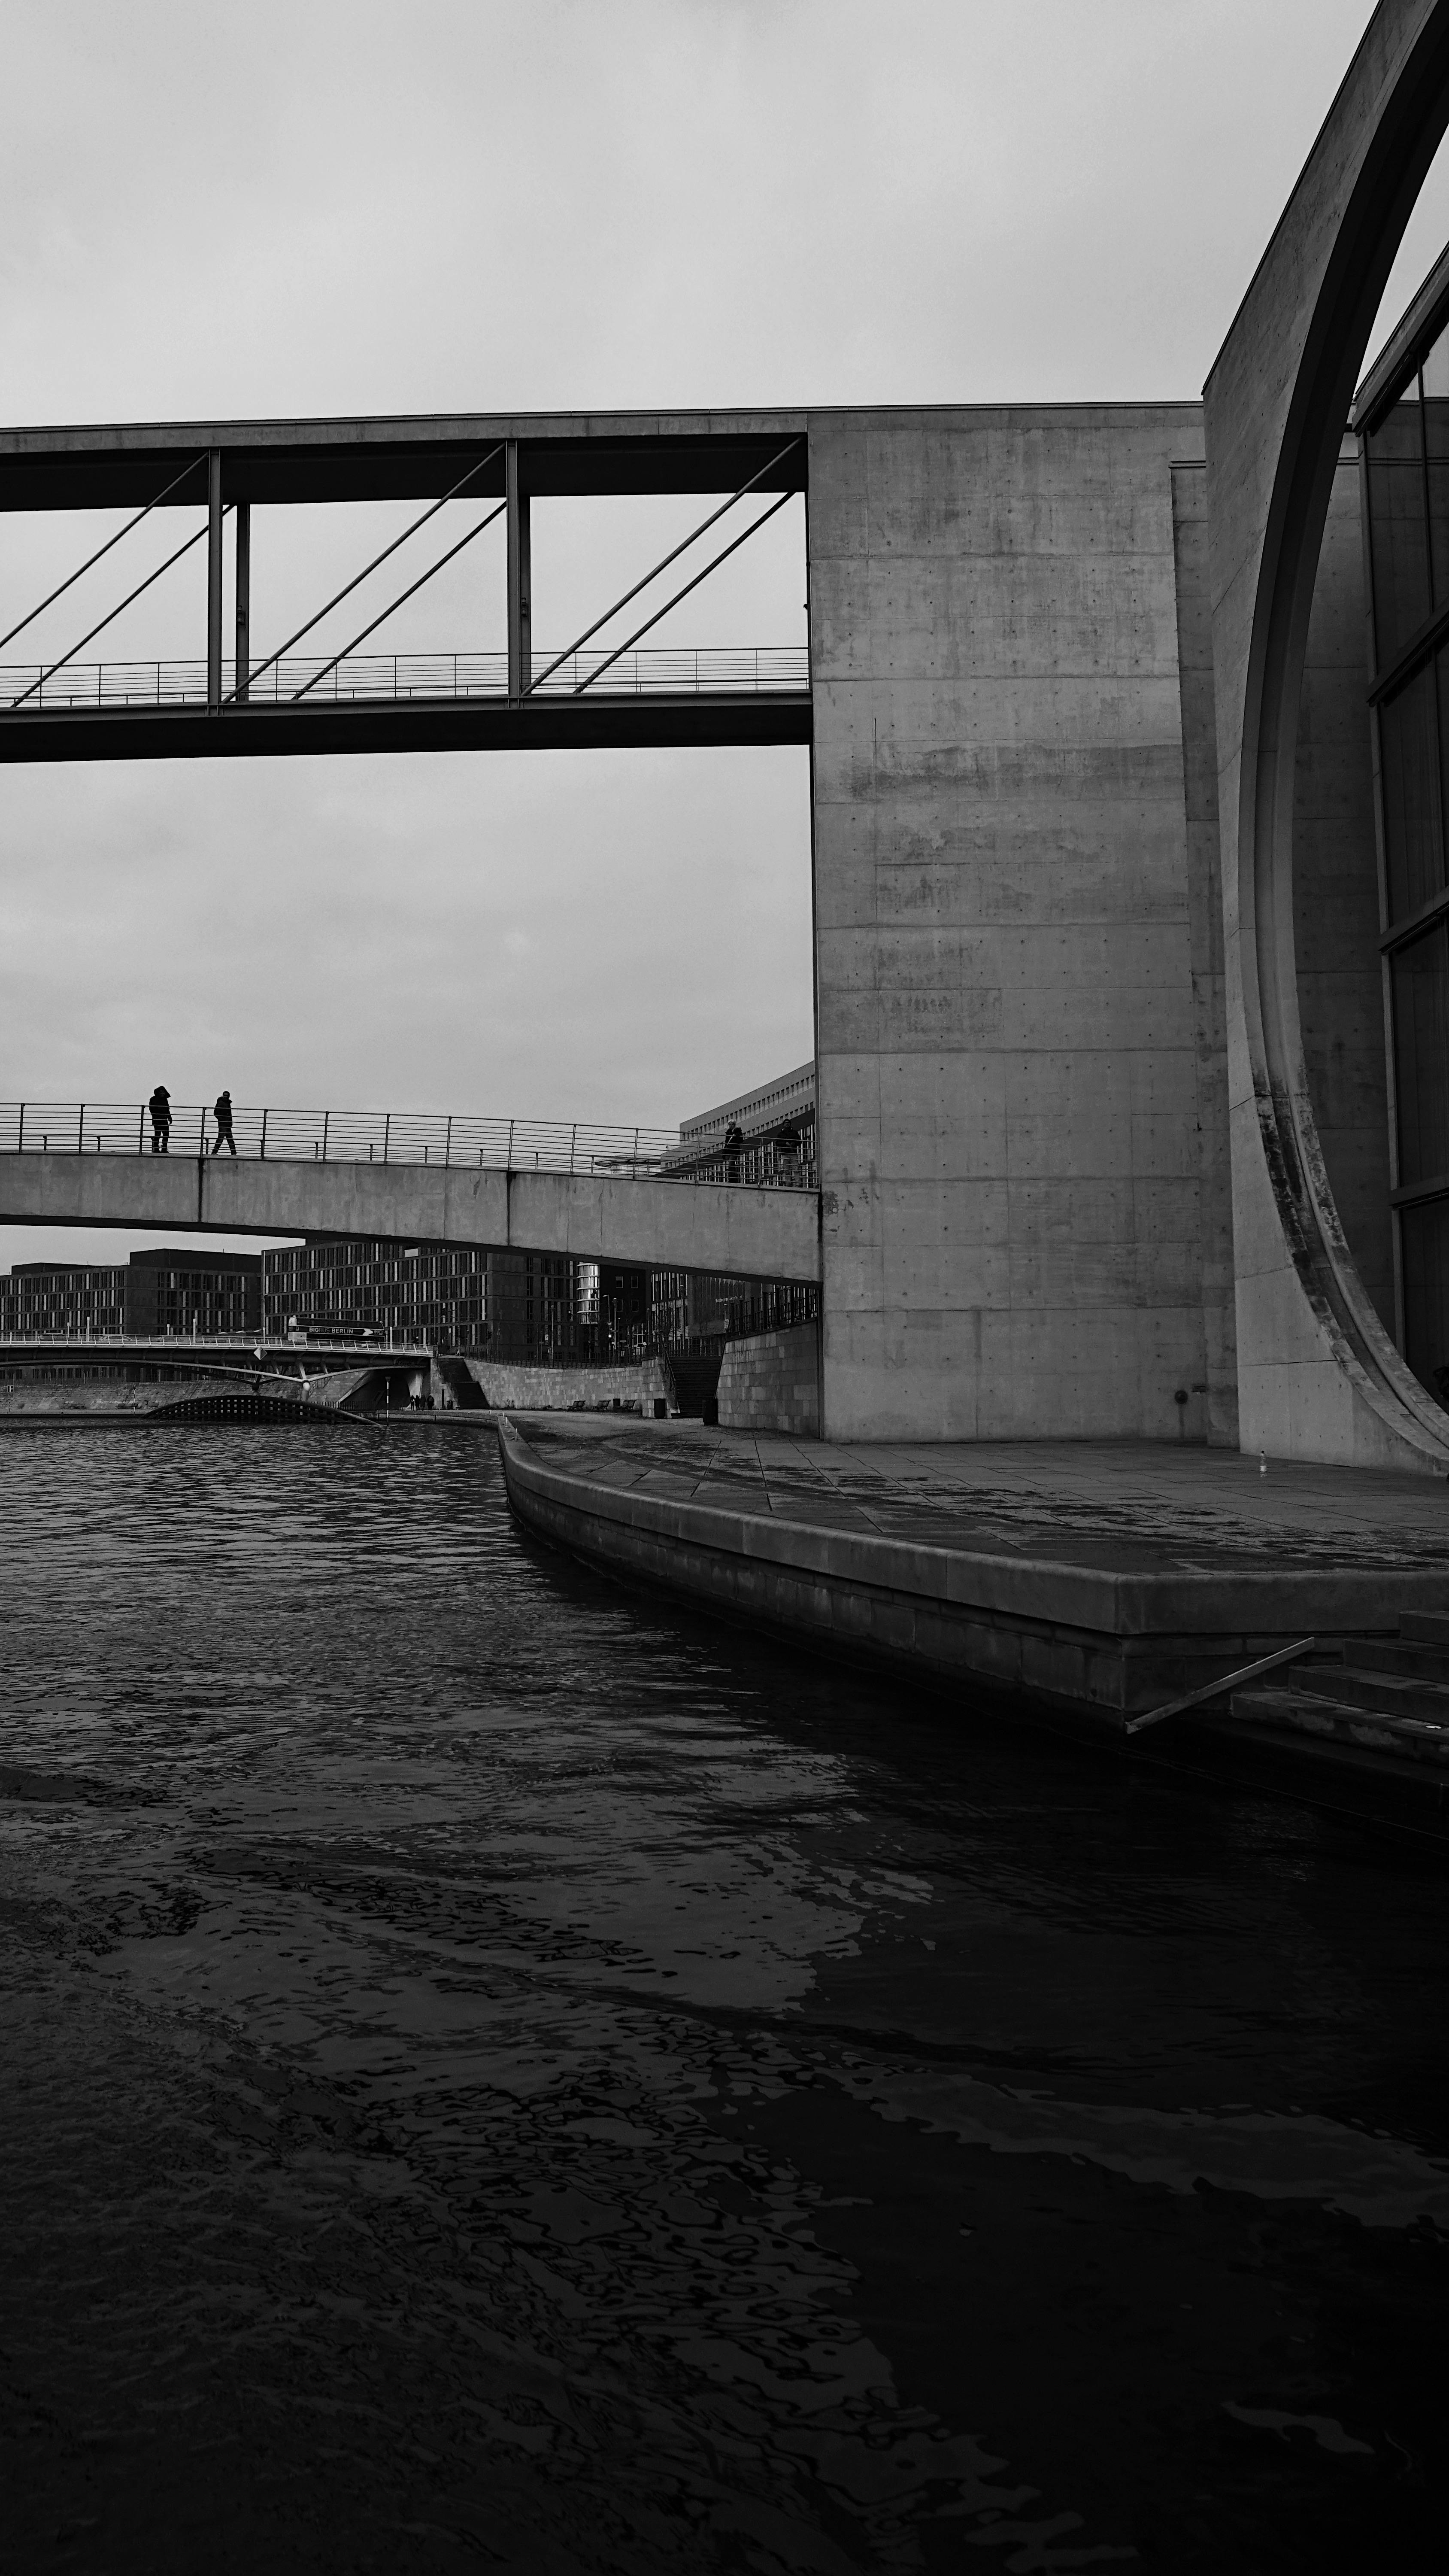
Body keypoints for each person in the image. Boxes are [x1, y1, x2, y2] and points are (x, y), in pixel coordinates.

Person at [211, 1089, 236, 1156]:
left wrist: (230, 1122)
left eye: (227, 1096)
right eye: (225, 1095)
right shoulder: (221, 1102)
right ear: (223, 1096)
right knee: (222, 1138)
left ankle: (234, 1153)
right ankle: (215, 1152)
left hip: (227, 1124)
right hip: (224, 1124)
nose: (226, 1097)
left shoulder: (227, 1103)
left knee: (229, 1139)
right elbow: (216, 1113)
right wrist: (223, 1120)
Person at [148, 1085, 171, 1154]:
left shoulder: (164, 1099)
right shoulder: (153, 1099)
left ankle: (163, 1149)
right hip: (158, 1120)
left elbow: (167, 1110)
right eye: (161, 1092)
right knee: (158, 1134)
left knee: (166, 1134)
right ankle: (156, 1149)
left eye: (164, 1092)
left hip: (163, 1120)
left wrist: (170, 1118)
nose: (163, 1094)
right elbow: (152, 1110)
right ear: (159, 1092)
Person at [724, 1118, 744, 1184]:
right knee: (731, 1165)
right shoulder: (728, 1132)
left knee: (731, 1164)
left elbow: (741, 1140)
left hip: (735, 1150)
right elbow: (727, 1142)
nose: (731, 1125)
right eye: (730, 1124)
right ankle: (733, 1179)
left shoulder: (738, 1131)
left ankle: (733, 1179)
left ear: (735, 1125)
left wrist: (737, 1136)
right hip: (729, 1150)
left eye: (732, 1124)